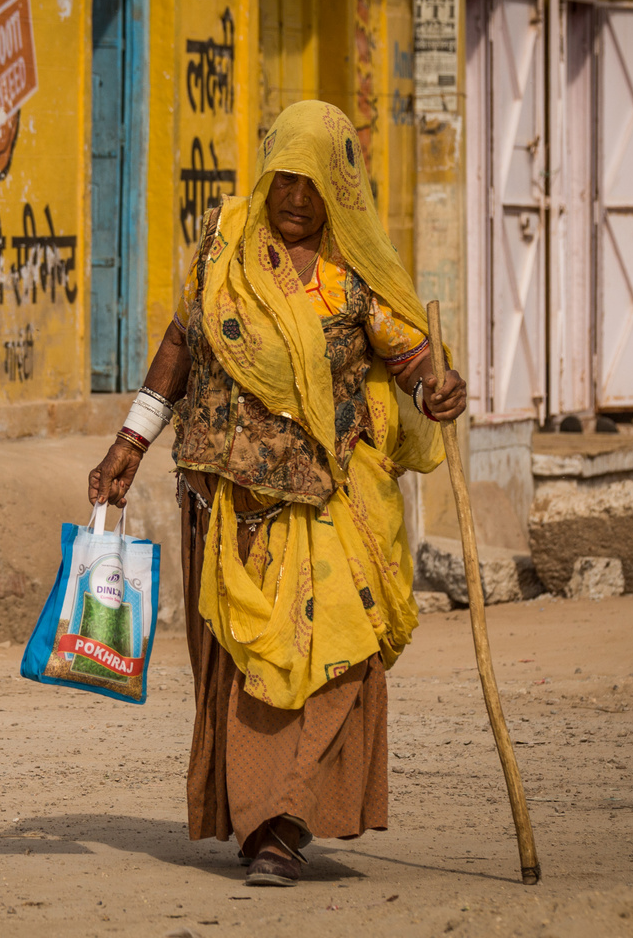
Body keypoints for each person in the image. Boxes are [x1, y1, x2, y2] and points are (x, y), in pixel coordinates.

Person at [87, 101, 467, 888]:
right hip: (225, 498)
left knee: (336, 654)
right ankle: (259, 822)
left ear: (339, 189)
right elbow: (179, 342)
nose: (294, 196)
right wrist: (130, 440)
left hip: (329, 501)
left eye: (313, 182)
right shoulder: (224, 246)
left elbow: (413, 356)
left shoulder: (353, 275)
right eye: (283, 178)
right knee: (244, 663)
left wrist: (440, 386)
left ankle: (284, 824)